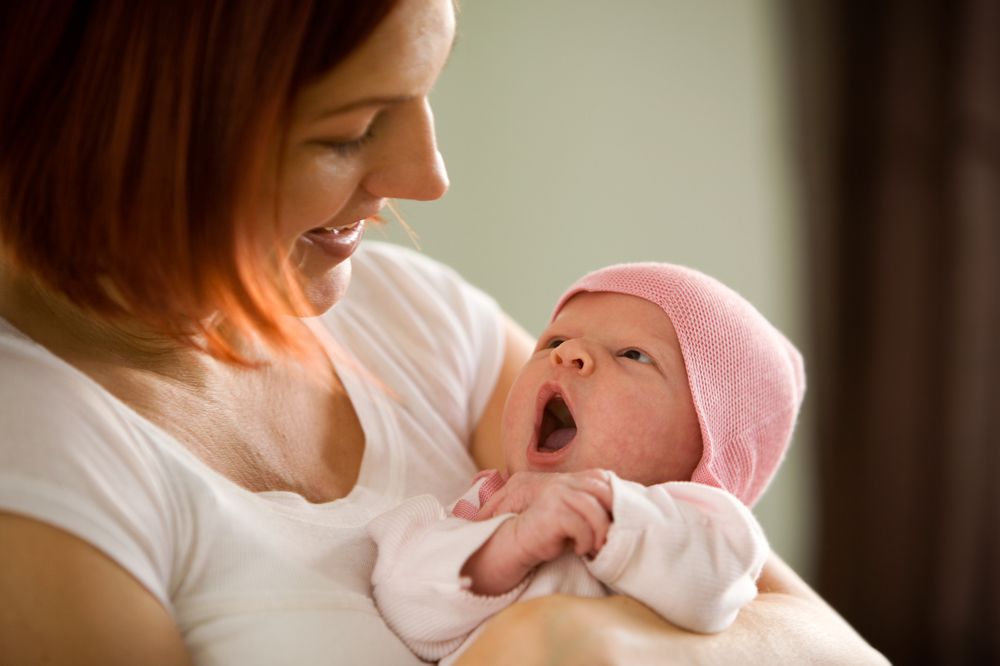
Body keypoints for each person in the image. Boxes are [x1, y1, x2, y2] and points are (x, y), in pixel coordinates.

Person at [0, 1, 887, 664]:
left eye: (425, 94)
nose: (428, 178)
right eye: (349, 132)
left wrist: (569, 640)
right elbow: (427, 583)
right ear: (122, 136)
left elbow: (839, 652)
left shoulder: (415, 319)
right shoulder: (40, 462)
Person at [367, 262, 803, 664]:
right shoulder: (484, 511)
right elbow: (406, 606)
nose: (568, 352)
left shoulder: (707, 528)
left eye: (633, 354)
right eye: (554, 341)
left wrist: (607, 512)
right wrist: (505, 547)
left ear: (709, 445)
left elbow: (714, 588)